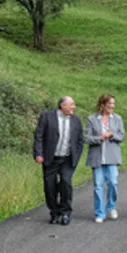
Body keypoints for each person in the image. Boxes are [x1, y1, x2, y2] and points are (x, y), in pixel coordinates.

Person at [33, 96, 84, 226]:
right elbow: (38, 135)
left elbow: (79, 140)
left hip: (67, 159)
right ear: (62, 105)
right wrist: (38, 153)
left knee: (66, 183)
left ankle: (66, 212)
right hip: (50, 158)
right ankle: (54, 212)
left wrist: (76, 156)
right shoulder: (47, 116)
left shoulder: (76, 120)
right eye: (71, 104)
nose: (74, 107)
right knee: (50, 187)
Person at [86, 94, 125, 223]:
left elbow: (121, 136)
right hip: (97, 157)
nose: (112, 107)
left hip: (112, 157)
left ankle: (111, 206)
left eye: (113, 104)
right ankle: (99, 213)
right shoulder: (92, 119)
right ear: (102, 105)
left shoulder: (117, 119)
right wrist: (99, 138)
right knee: (98, 185)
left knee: (113, 183)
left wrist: (112, 134)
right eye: (109, 104)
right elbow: (86, 137)